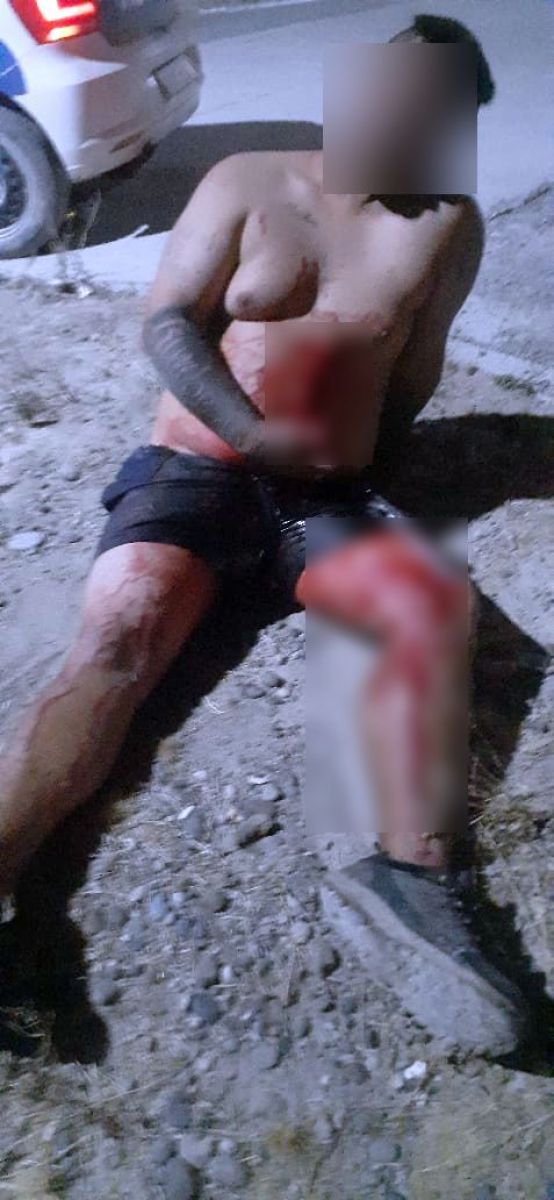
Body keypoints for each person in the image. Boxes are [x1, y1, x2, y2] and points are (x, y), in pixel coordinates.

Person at [0, 15, 527, 1054]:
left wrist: (360, 463)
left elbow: (413, 376)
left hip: (322, 496)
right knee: (120, 639)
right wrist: (249, 431)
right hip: (197, 470)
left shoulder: (446, 226)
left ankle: (411, 881)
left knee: (426, 612)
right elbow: (167, 323)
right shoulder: (248, 179)